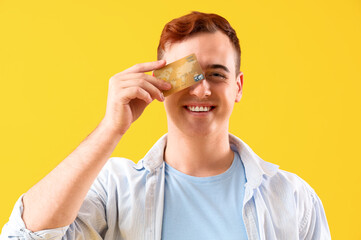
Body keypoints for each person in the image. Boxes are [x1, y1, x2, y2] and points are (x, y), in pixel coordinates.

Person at [0, 11, 331, 240]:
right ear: (161, 82)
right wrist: (110, 128)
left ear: (238, 87)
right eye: (188, 75)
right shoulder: (115, 190)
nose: (201, 89)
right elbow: (22, 235)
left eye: (216, 74)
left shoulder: (292, 197)